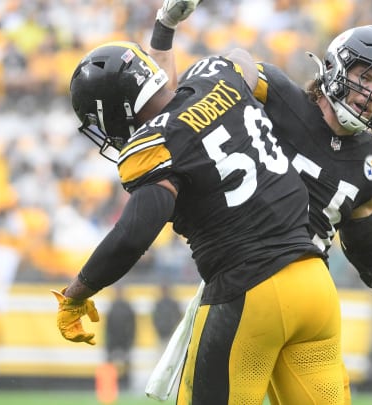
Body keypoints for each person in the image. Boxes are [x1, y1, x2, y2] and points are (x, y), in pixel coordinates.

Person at [147, 2, 372, 403]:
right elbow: (179, 111)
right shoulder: (277, 96)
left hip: (297, 293)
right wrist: (168, 32)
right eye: (366, 76)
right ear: (337, 65)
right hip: (248, 276)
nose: (371, 95)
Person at [51, 26, 345, 405]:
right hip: (314, 285)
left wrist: (76, 294)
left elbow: (135, 232)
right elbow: (242, 61)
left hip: (249, 291)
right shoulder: (217, 73)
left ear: (117, 110)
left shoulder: (153, 144)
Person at [104, 284, 136, 390]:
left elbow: (132, 325)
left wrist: (130, 340)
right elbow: (107, 326)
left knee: (126, 365)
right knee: (111, 365)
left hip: (124, 341)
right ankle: (111, 385)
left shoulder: (127, 307)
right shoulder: (112, 306)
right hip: (114, 342)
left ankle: (126, 385)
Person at [151, 283, 182, 354]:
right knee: (162, 354)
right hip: (161, 334)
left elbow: (178, 317)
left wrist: (173, 327)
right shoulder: (158, 304)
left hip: (171, 334)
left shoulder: (173, 304)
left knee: (171, 354)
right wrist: (159, 328)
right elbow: (155, 318)